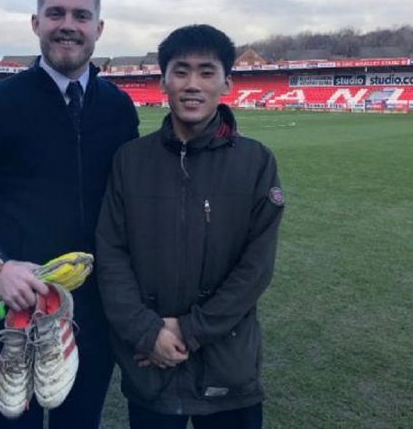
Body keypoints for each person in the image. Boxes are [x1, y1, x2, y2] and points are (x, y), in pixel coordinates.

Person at [0, 0, 139, 429]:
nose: (68, 25)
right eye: (56, 13)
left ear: (99, 28)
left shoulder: (119, 109)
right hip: (15, 313)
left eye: (81, 16)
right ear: (35, 22)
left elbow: (130, 207)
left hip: (92, 314)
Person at [96, 24, 284, 429]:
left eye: (206, 72)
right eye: (180, 71)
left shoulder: (257, 162)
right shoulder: (130, 161)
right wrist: (147, 332)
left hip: (227, 371)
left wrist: (189, 329)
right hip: (151, 369)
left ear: (227, 83)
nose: (193, 84)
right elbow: (111, 255)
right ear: (163, 81)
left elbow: (255, 269)